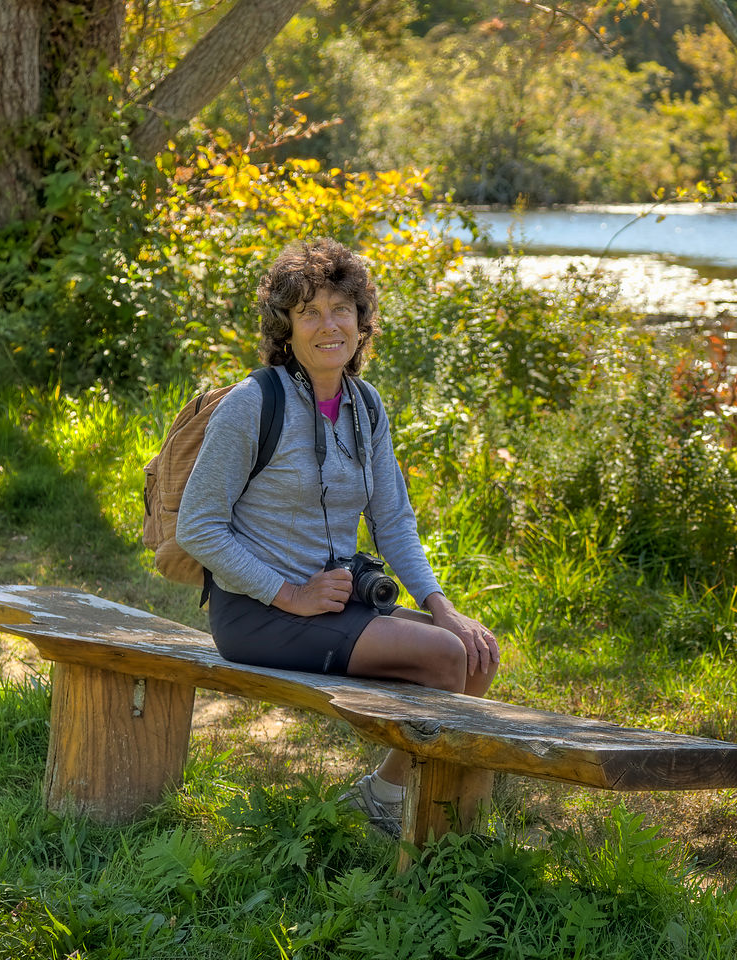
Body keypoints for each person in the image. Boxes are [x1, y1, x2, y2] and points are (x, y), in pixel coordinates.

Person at [175, 238, 501, 837]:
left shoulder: (366, 406)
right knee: (444, 658)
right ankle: (399, 811)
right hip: (258, 612)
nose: (329, 325)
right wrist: (287, 594)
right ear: (287, 329)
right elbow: (197, 525)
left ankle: (408, 806)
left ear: (361, 322)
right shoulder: (253, 404)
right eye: (309, 312)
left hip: (332, 602)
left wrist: (442, 606)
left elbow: (394, 521)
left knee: (475, 654)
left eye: (341, 309)